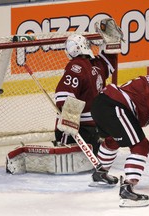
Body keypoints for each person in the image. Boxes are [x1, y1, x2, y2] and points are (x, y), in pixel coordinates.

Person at [89, 62, 149, 207]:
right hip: (116, 107)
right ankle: (128, 189)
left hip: (100, 104)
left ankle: (100, 174)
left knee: (112, 140)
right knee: (141, 146)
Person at [54, 18, 122, 156]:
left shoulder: (76, 66)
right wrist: (111, 43)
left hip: (82, 134)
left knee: (63, 115)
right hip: (99, 131)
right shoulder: (97, 65)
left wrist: (68, 118)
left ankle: (64, 143)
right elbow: (109, 63)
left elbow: (62, 97)